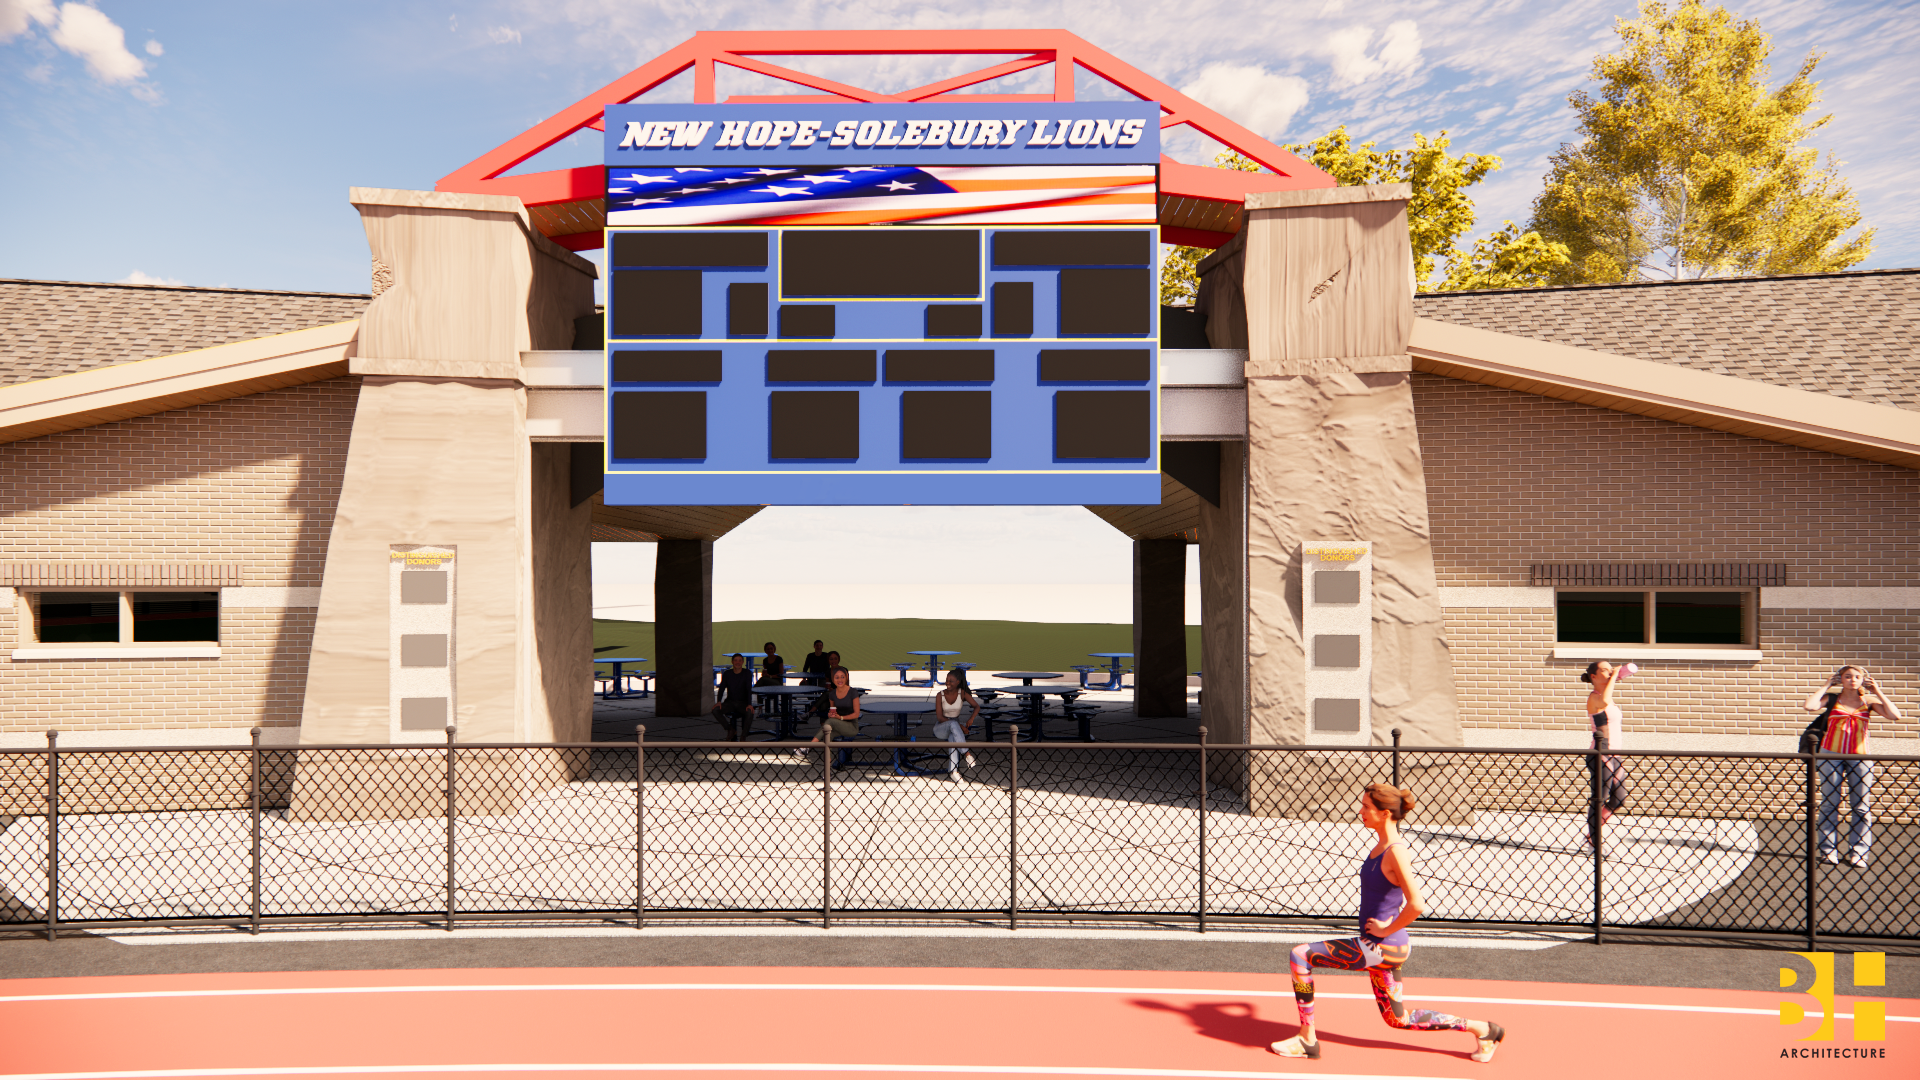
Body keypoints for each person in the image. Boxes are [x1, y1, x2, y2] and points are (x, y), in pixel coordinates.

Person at [1270, 783, 1505, 1063]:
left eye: (1366, 807)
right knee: (1398, 1019)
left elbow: (1416, 904)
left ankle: (1307, 1040)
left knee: (1300, 956)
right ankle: (1484, 1030)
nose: (1361, 811)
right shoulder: (1380, 846)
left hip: (1381, 946)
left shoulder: (1395, 851)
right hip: (1382, 947)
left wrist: (1384, 929)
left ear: (1384, 814)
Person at [1802, 665, 1901, 866]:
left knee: (1861, 806)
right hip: (1830, 755)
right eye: (1847, 676)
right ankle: (1828, 850)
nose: (1852, 680)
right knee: (1830, 803)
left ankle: (1859, 852)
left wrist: (1878, 691)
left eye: (1857, 676)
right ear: (1842, 679)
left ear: (1863, 679)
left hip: (1861, 756)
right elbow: (1809, 706)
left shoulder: (1869, 701)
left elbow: (1894, 715)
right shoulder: (1831, 699)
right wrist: (1827, 684)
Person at [1580, 660, 1638, 846]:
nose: (1610, 672)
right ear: (1594, 677)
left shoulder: (1608, 697)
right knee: (1599, 798)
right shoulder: (1594, 697)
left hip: (1615, 754)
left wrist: (1614, 675)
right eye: (1605, 670)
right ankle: (1595, 841)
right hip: (1600, 754)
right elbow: (1603, 701)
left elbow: (1608, 699)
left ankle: (1591, 834)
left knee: (1619, 798)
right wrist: (1614, 676)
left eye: (1611, 669)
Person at [798, 666, 861, 767]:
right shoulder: (832, 694)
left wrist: (840, 718)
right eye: (836, 677)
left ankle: (808, 746)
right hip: (838, 724)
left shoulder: (853, 692)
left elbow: (856, 714)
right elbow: (832, 711)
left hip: (851, 726)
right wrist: (830, 714)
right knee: (827, 735)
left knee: (829, 723)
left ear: (847, 677)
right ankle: (828, 769)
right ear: (832, 679)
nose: (840, 680)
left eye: (842, 677)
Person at [932, 669, 980, 782]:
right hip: (941, 727)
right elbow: (940, 717)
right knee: (953, 724)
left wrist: (971, 719)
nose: (947, 683)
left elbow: (976, 706)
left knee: (953, 738)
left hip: (955, 727)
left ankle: (954, 772)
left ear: (958, 682)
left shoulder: (962, 693)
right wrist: (961, 726)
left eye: (951, 681)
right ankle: (967, 754)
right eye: (946, 680)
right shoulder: (940, 695)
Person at [710, 653, 756, 742]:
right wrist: (719, 701)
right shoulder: (727, 673)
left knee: (750, 712)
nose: (737, 662)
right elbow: (722, 687)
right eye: (735, 660)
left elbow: (748, 689)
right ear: (732, 662)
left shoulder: (747, 673)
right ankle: (730, 729)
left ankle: (743, 736)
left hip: (743, 703)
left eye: (739, 660)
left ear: (742, 662)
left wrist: (749, 704)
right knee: (715, 710)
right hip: (730, 702)